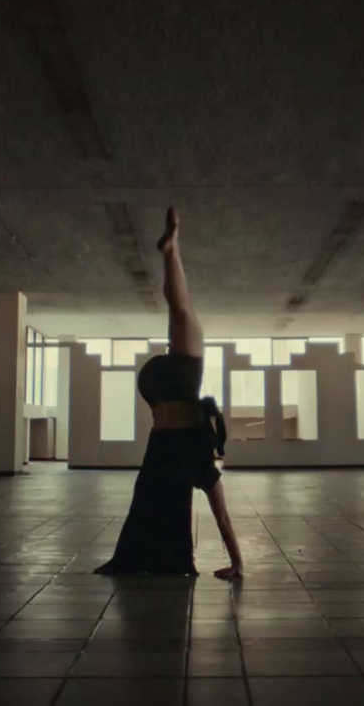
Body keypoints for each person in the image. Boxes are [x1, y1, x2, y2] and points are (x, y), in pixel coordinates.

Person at [94, 208, 245, 579]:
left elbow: (219, 511)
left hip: (162, 415)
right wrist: (237, 564)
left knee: (181, 310)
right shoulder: (200, 456)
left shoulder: (195, 451)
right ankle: (171, 251)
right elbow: (221, 514)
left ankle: (171, 251)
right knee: (181, 309)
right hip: (166, 410)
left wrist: (239, 565)